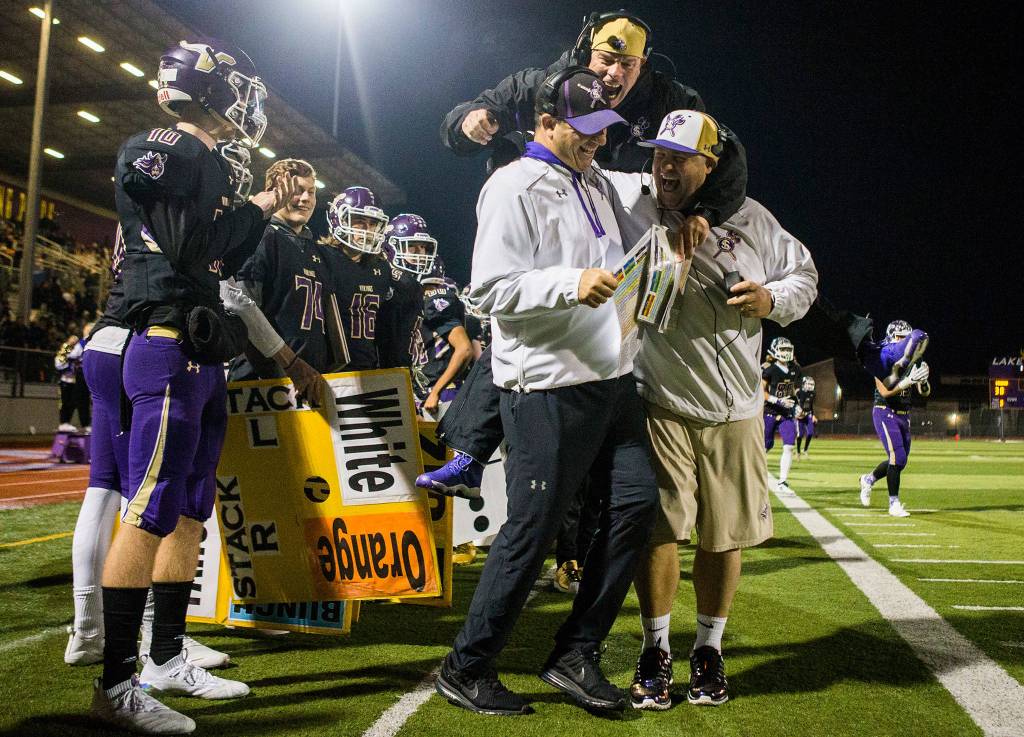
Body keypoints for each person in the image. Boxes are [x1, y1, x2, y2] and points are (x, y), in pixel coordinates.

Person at [434, 68, 659, 717]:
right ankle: (466, 664)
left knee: (637, 504)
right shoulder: (511, 186)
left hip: (610, 380)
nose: (595, 141)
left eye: (600, 130)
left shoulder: (591, 181)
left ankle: (574, 651)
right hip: (545, 385)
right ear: (545, 123)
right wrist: (570, 283)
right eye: (582, 129)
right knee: (531, 531)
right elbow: (487, 292)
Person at [92, 38, 296, 734]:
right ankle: (116, 684)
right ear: (208, 87)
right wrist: (256, 200)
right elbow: (188, 247)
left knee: (189, 506)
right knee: (147, 508)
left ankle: (166, 655)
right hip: (164, 340)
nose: (246, 102)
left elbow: (222, 253)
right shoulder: (171, 149)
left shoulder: (202, 158)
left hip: (197, 346)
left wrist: (256, 208)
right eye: (236, 86)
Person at [602, 110, 817, 709]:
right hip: (659, 397)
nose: (664, 167)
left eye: (679, 157)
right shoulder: (635, 200)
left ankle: (709, 650)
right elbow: (583, 164)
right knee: (659, 529)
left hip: (736, 404)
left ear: (711, 166)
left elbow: (805, 276)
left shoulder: (754, 220)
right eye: (659, 154)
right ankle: (655, 648)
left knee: (724, 536)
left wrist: (773, 298)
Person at [227, 159, 332, 391]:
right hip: (263, 380)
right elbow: (243, 310)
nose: (305, 198)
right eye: (297, 191)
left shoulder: (313, 248)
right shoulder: (262, 236)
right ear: (277, 192)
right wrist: (285, 364)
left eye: (311, 192)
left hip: (304, 379)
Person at [859, 320, 931, 517]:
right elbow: (885, 390)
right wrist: (907, 381)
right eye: (900, 338)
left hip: (904, 413)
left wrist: (922, 381)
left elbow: (924, 392)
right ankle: (894, 503)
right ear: (891, 338)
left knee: (900, 461)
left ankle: (868, 479)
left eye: (906, 339)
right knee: (896, 457)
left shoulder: (914, 360)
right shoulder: (880, 357)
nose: (904, 343)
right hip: (885, 410)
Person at [320, 186, 394, 370]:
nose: (367, 229)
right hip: (328, 367)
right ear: (339, 219)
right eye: (359, 221)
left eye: (372, 223)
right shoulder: (322, 258)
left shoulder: (381, 269)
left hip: (367, 366)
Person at [762, 337, 802, 492]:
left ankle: (783, 481)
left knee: (789, 445)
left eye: (788, 349)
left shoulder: (795, 369)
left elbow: (792, 390)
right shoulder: (769, 369)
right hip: (770, 411)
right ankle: (755, 476)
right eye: (782, 349)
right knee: (766, 446)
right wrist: (778, 401)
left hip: (786, 413)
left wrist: (796, 404)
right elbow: (762, 393)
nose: (786, 353)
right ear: (774, 351)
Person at [55, 333, 89, 432]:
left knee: (73, 403)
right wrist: (67, 346)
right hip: (65, 380)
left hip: (75, 381)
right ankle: (63, 422)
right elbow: (59, 363)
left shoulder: (78, 350)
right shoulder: (66, 349)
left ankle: (68, 422)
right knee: (65, 403)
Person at [795, 375, 817, 458]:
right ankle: (798, 452)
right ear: (804, 384)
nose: (810, 386)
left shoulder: (813, 393)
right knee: (800, 434)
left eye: (812, 384)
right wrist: (796, 412)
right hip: (800, 415)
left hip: (808, 414)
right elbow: (795, 402)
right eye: (809, 384)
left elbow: (811, 405)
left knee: (810, 433)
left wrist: (813, 415)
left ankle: (805, 450)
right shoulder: (799, 392)